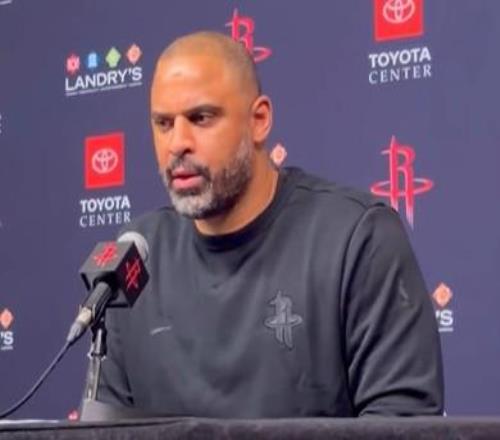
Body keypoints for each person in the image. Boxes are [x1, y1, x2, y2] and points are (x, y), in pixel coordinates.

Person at [93, 31, 444, 417]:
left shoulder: (357, 239)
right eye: (163, 123)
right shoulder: (136, 257)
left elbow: (402, 422)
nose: (177, 143)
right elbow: (108, 427)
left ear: (259, 120)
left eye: (201, 118)